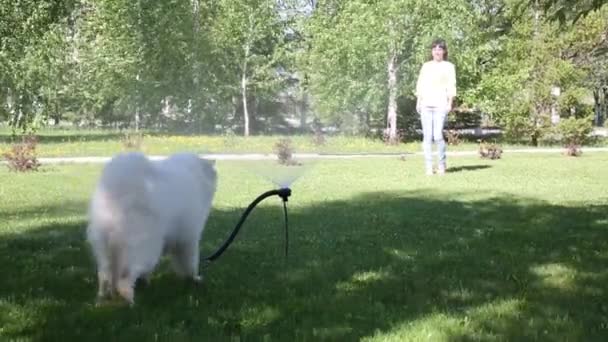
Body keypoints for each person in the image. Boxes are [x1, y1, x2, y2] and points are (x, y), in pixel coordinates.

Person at [415, 38, 457, 175]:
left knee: (438, 135)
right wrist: (419, 101)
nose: (437, 52)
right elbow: (420, 84)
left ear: (444, 51)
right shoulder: (426, 66)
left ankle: (441, 164)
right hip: (426, 104)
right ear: (432, 52)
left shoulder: (449, 66)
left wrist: (450, 102)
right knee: (427, 137)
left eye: (440, 49)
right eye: (434, 49)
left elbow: (451, 85)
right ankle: (428, 167)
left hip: (441, 104)